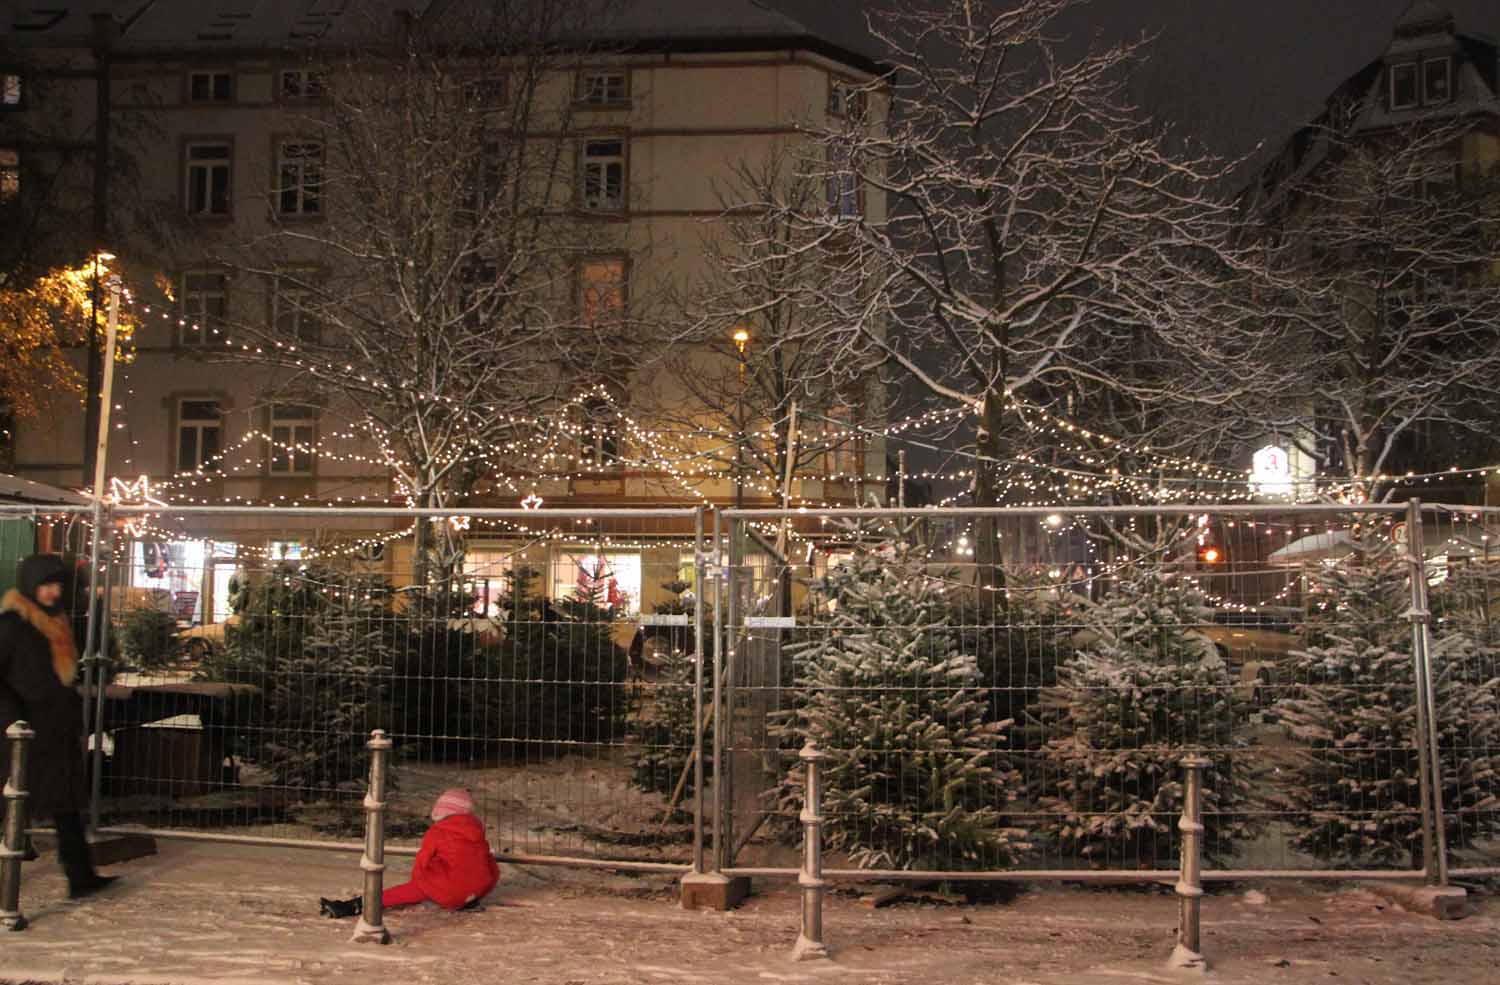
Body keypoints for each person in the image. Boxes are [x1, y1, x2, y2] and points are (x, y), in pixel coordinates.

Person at [0, 554, 119, 899]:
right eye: (46, 585)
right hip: (23, 735)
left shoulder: (55, 622)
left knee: (67, 809)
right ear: (30, 585)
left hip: (55, 731)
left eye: (57, 585)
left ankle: (81, 877)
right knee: (12, 804)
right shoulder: (13, 624)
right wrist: (12, 719)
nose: (53, 592)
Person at [321, 787, 499, 918]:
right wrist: (480, 888)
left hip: (448, 889)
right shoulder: (477, 832)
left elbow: (423, 859)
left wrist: (419, 882)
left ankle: (355, 906)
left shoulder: (438, 831)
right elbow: (490, 864)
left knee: (403, 893)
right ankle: (468, 899)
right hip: (478, 889)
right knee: (467, 872)